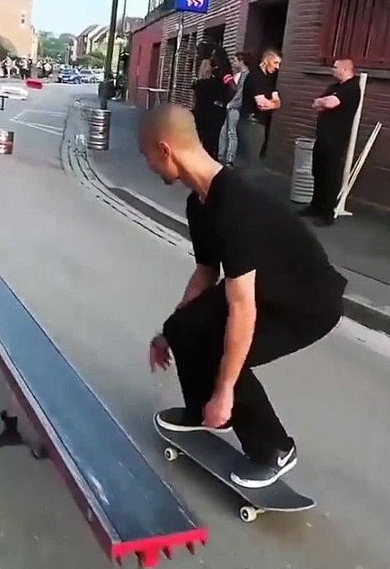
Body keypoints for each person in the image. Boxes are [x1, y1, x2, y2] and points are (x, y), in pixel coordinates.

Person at [139, 104, 347, 488]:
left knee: (224, 354)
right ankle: (203, 412)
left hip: (306, 304)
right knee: (185, 326)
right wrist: (171, 331)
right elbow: (205, 273)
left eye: (147, 155)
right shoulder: (199, 202)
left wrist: (224, 390)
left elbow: (242, 308)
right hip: (261, 291)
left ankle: (274, 448)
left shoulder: (236, 206)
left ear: (165, 150)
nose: (148, 166)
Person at [304, 58, 362, 226]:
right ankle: (315, 206)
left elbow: (330, 103)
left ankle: (327, 214)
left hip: (335, 138)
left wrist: (325, 102)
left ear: (345, 69)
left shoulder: (351, 88)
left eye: (335, 67)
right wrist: (323, 102)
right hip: (322, 136)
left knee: (330, 175)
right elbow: (316, 104)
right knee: (318, 171)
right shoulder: (334, 87)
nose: (332, 70)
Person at [235, 48, 281, 176]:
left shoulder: (269, 79)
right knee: (249, 162)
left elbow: (278, 102)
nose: (277, 67)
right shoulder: (255, 76)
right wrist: (272, 103)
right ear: (266, 61)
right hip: (250, 123)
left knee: (248, 160)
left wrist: (271, 103)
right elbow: (261, 104)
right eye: (275, 63)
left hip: (259, 123)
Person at [191, 57, 232, 161]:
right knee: (212, 139)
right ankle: (210, 159)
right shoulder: (217, 83)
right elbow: (226, 93)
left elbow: (197, 98)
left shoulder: (198, 83)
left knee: (201, 136)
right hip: (214, 114)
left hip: (200, 113)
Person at [218, 52, 249, 167]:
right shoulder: (239, 74)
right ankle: (222, 155)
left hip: (235, 108)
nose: (234, 63)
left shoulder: (245, 75)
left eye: (235, 60)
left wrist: (232, 104)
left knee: (231, 133)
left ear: (241, 62)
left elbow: (240, 93)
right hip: (231, 106)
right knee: (224, 131)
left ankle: (229, 159)